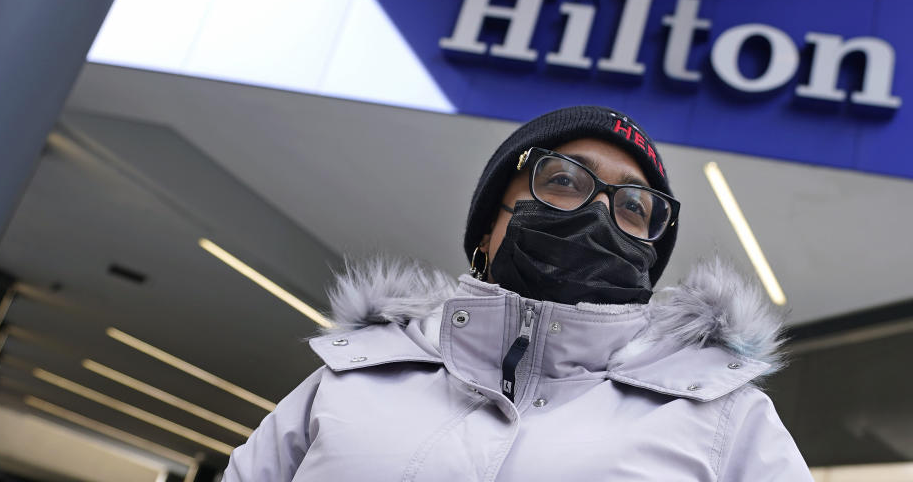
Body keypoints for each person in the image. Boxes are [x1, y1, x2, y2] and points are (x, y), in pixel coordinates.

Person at [222, 105, 812, 481]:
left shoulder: (723, 417)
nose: (599, 213)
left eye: (634, 205)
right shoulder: (352, 381)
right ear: (487, 227)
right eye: (562, 180)